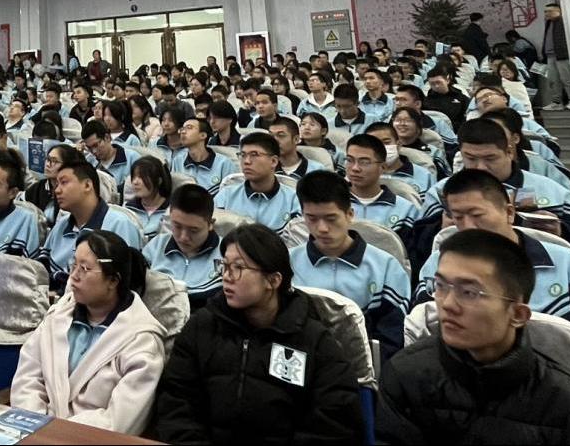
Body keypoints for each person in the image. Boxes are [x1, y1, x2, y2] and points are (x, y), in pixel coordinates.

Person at [378, 229, 570, 444]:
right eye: (441, 286)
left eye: (469, 292)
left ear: (518, 314)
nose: (447, 304)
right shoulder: (403, 375)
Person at [155, 224, 363, 444]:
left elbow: (334, 421)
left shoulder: (314, 340)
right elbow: (176, 400)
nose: (226, 276)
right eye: (224, 266)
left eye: (238, 267)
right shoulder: (202, 326)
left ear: (273, 280)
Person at [413, 169, 570, 373]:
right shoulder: (437, 265)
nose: (468, 226)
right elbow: (421, 332)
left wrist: (554, 368)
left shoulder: (564, 262)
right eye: (458, 217)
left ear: (509, 212)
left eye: (477, 215)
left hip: (555, 380)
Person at [12, 230, 166, 435]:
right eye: (73, 265)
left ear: (113, 280)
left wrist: (59, 432)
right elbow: (27, 381)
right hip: (36, 433)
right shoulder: (57, 316)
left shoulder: (142, 340)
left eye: (84, 269)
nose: (73, 276)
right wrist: (36, 425)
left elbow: (120, 421)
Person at [411, 119, 570, 269]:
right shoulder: (443, 191)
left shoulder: (547, 189)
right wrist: (440, 228)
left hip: (541, 273)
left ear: (509, 152)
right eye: (470, 158)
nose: (480, 167)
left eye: (490, 158)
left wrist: (562, 231)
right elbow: (414, 246)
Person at [291, 171, 410, 360]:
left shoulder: (386, 267)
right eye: (312, 219)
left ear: (349, 214)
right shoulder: (288, 262)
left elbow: (391, 337)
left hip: (363, 364)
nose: (322, 228)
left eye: (331, 219)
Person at [42, 159, 143, 291]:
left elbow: (126, 283)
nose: (57, 190)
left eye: (64, 182)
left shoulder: (120, 225)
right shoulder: (61, 225)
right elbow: (42, 270)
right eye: (56, 185)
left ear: (87, 185)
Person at [142, 184, 223, 308]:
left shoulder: (226, 254)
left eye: (193, 230)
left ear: (210, 224)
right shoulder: (156, 247)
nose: (183, 237)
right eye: (177, 226)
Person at [214, 133, 302, 236]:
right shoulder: (226, 196)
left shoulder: (294, 200)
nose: (246, 161)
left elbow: (296, 241)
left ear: (274, 161)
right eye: (243, 155)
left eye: (254, 155)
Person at [345, 134, 421, 245]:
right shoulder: (333, 203)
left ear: (383, 167)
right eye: (349, 160)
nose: (355, 168)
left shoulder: (406, 210)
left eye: (364, 162)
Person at [171, 116, 238, 195]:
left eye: (189, 128)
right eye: (182, 129)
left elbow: (231, 194)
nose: (183, 132)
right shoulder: (178, 161)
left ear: (203, 135)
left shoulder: (224, 163)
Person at [124, 156, 171, 243]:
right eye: (134, 177)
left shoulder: (171, 211)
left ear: (158, 181)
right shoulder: (128, 209)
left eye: (141, 177)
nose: (135, 182)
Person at [81, 120, 131, 195]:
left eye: (96, 145)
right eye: (89, 148)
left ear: (107, 137)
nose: (94, 151)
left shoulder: (131, 158)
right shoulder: (89, 162)